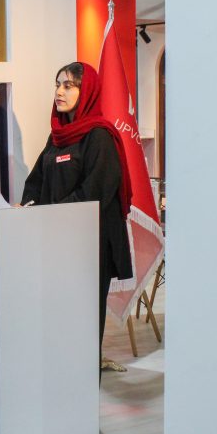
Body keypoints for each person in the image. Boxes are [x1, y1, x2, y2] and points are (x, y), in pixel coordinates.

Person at [21, 61, 134, 366]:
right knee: (58, 317)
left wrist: (51, 216)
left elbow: (94, 192)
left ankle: (83, 383)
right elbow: (36, 181)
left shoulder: (99, 136)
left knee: (83, 320)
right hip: (57, 241)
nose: (59, 91)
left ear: (87, 92)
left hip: (88, 246)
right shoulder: (58, 136)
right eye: (57, 84)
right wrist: (27, 207)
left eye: (68, 86)